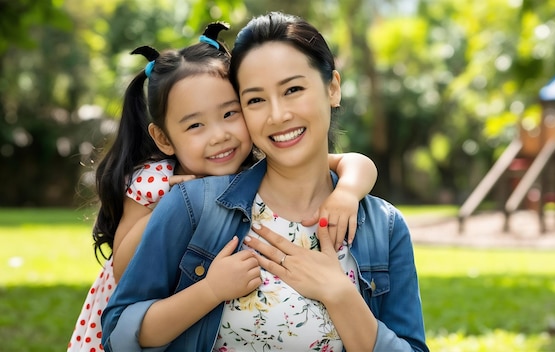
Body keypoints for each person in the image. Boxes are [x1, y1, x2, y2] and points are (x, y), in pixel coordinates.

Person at [102, 11, 428, 352]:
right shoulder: (192, 205)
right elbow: (119, 334)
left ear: (332, 88)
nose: (277, 115)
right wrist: (209, 291)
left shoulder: (384, 227)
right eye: (256, 99)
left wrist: (341, 295)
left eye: (293, 89)